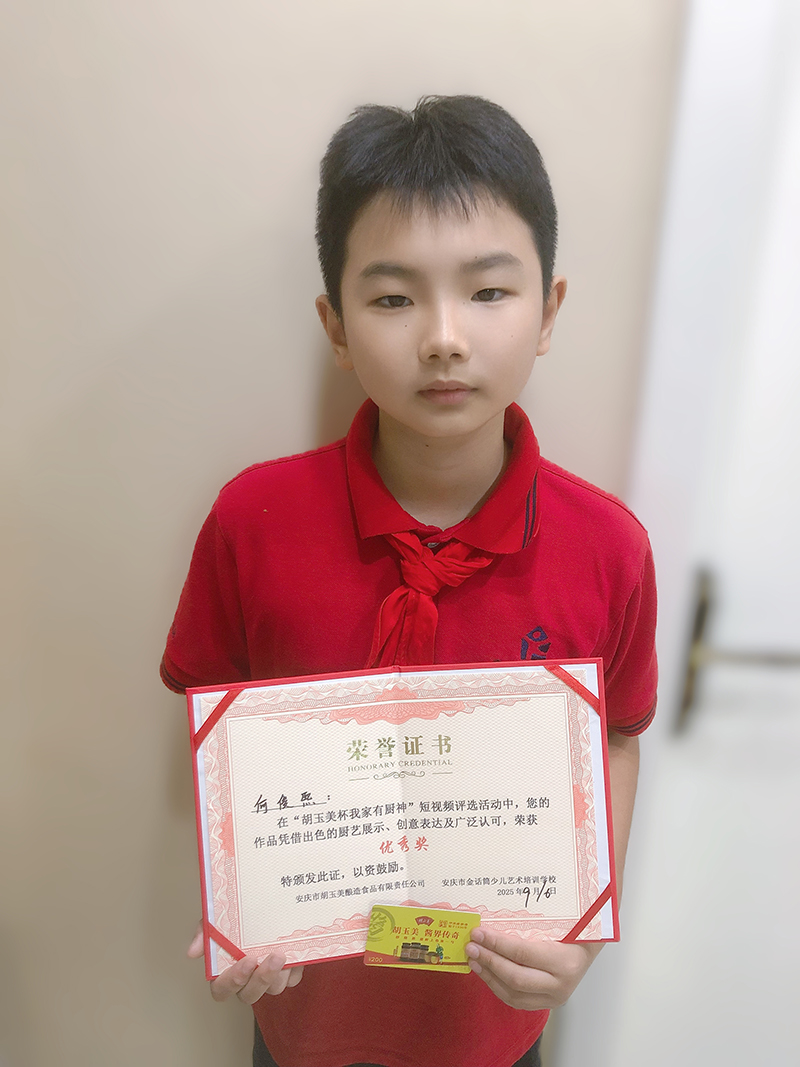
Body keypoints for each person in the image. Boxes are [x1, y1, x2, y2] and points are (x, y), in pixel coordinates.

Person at [162, 95, 657, 1067]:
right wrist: (237, 903)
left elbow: (616, 735)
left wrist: (584, 929)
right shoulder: (252, 521)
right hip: (302, 1021)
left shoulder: (606, 546)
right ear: (336, 325)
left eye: (488, 291)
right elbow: (218, 732)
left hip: (493, 1028)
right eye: (392, 298)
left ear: (548, 311)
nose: (442, 336)